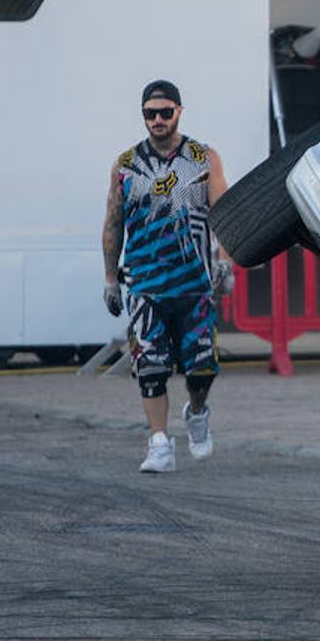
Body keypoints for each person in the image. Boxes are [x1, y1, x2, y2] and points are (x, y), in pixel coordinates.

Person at [102, 79, 232, 474]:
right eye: (149, 113)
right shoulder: (125, 164)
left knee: (202, 365)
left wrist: (224, 261)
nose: (156, 120)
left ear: (178, 111)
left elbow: (224, 211)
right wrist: (111, 278)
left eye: (164, 112)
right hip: (145, 283)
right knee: (151, 365)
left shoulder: (203, 156)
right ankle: (159, 443)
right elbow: (113, 222)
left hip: (195, 283)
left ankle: (196, 412)